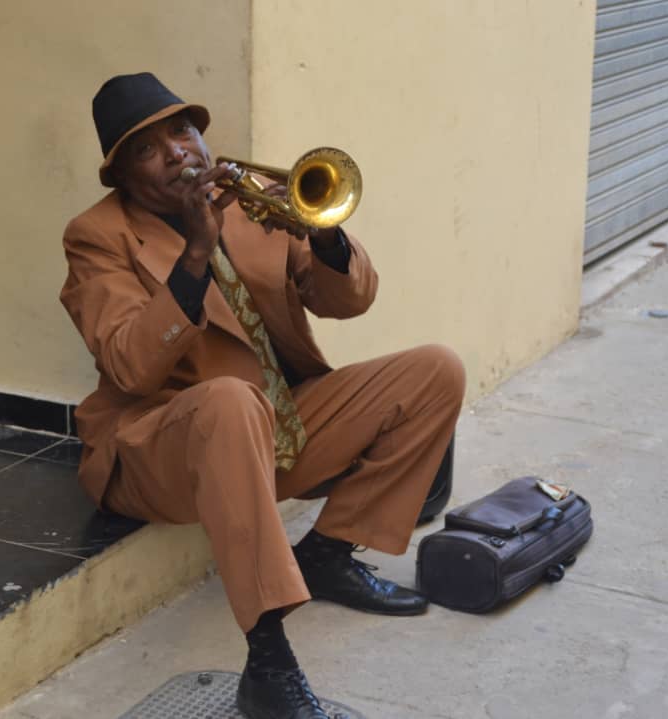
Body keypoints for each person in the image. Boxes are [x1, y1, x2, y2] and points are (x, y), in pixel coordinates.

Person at [59, 72, 465, 719]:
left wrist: (320, 231)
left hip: (271, 424)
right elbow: (130, 365)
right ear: (123, 175)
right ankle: (267, 655)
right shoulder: (96, 237)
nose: (178, 152)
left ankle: (329, 553)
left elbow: (350, 300)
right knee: (228, 401)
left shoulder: (246, 204)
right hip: (164, 445)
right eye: (149, 147)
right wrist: (195, 251)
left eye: (183, 130)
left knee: (437, 370)